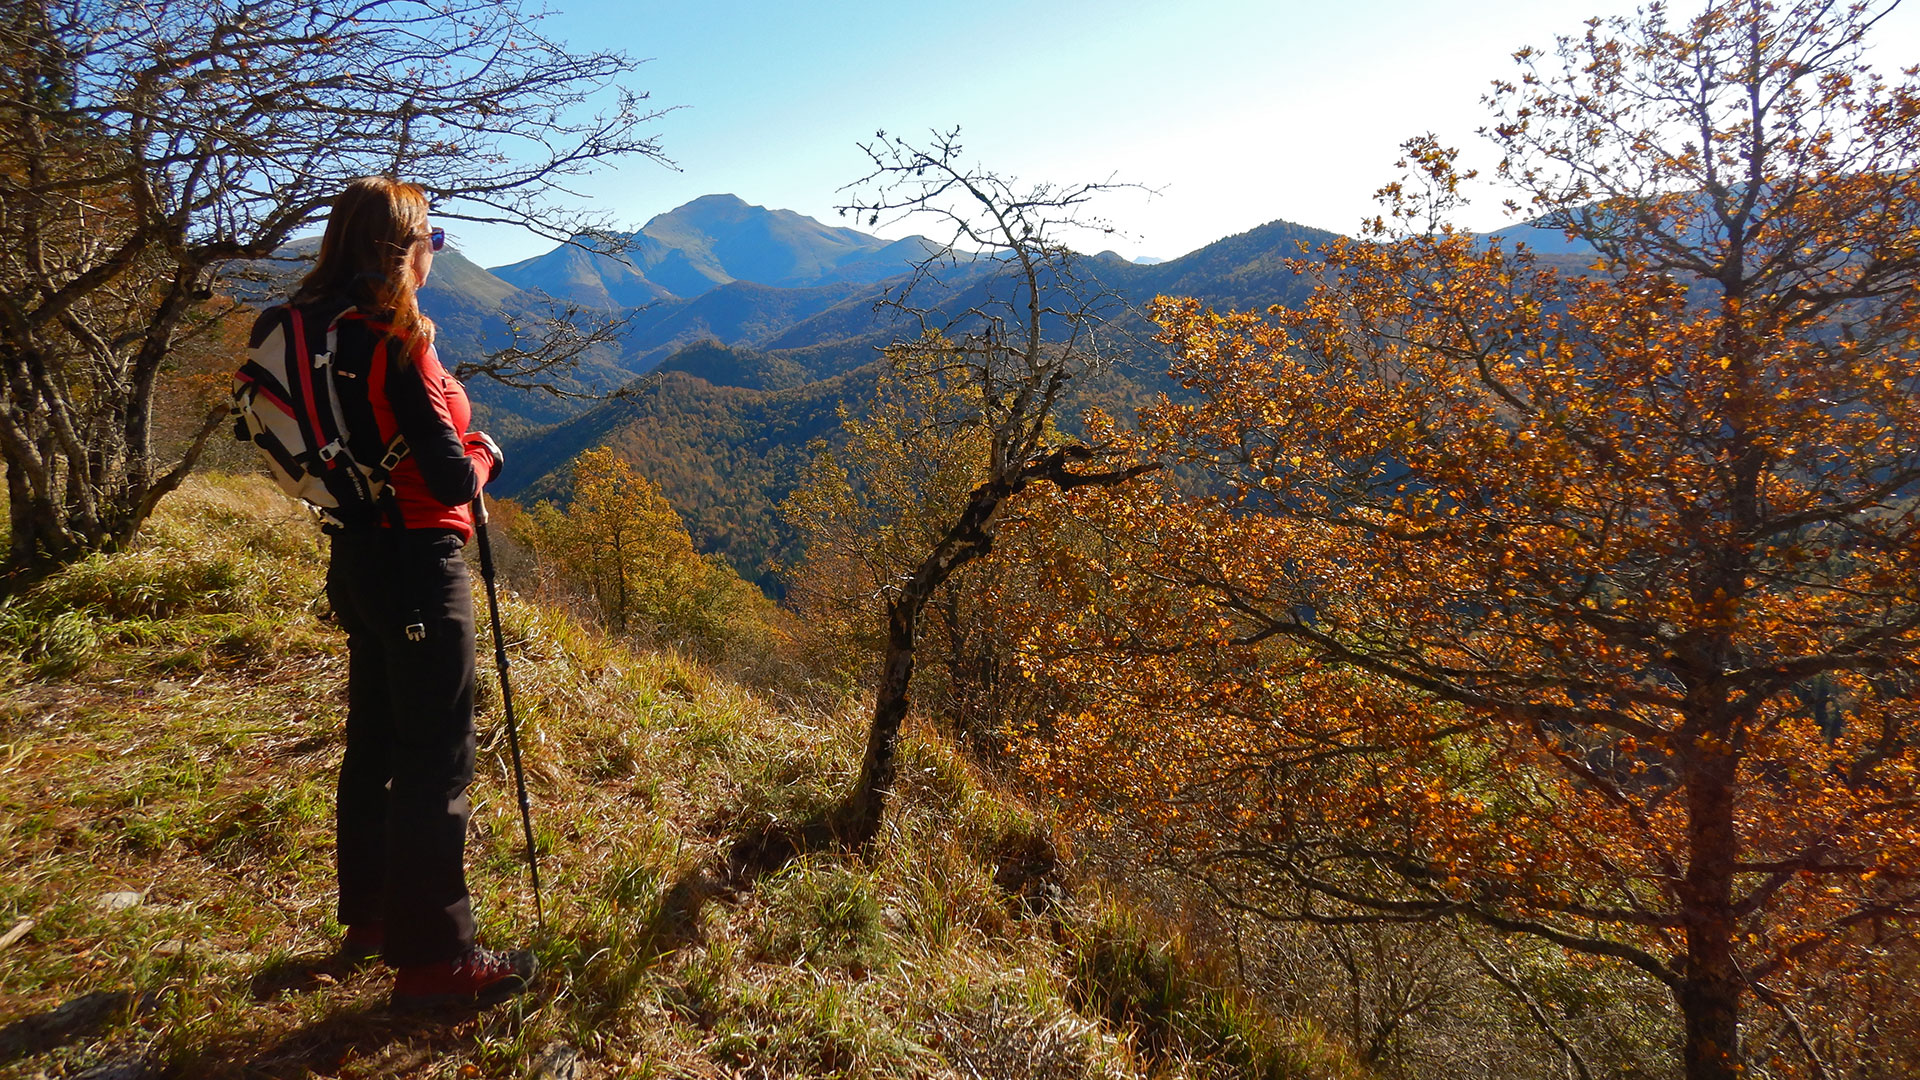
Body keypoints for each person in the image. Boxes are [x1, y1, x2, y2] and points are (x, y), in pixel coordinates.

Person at [284, 176, 532, 1008]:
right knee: (437, 761)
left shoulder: (306, 327)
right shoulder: (396, 338)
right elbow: (450, 472)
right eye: (432, 237)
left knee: (376, 742)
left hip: (355, 559)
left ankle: (372, 920)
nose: (437, 251)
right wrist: (489, 451)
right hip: (422, 564)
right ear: (404, 248)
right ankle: (435, 964)